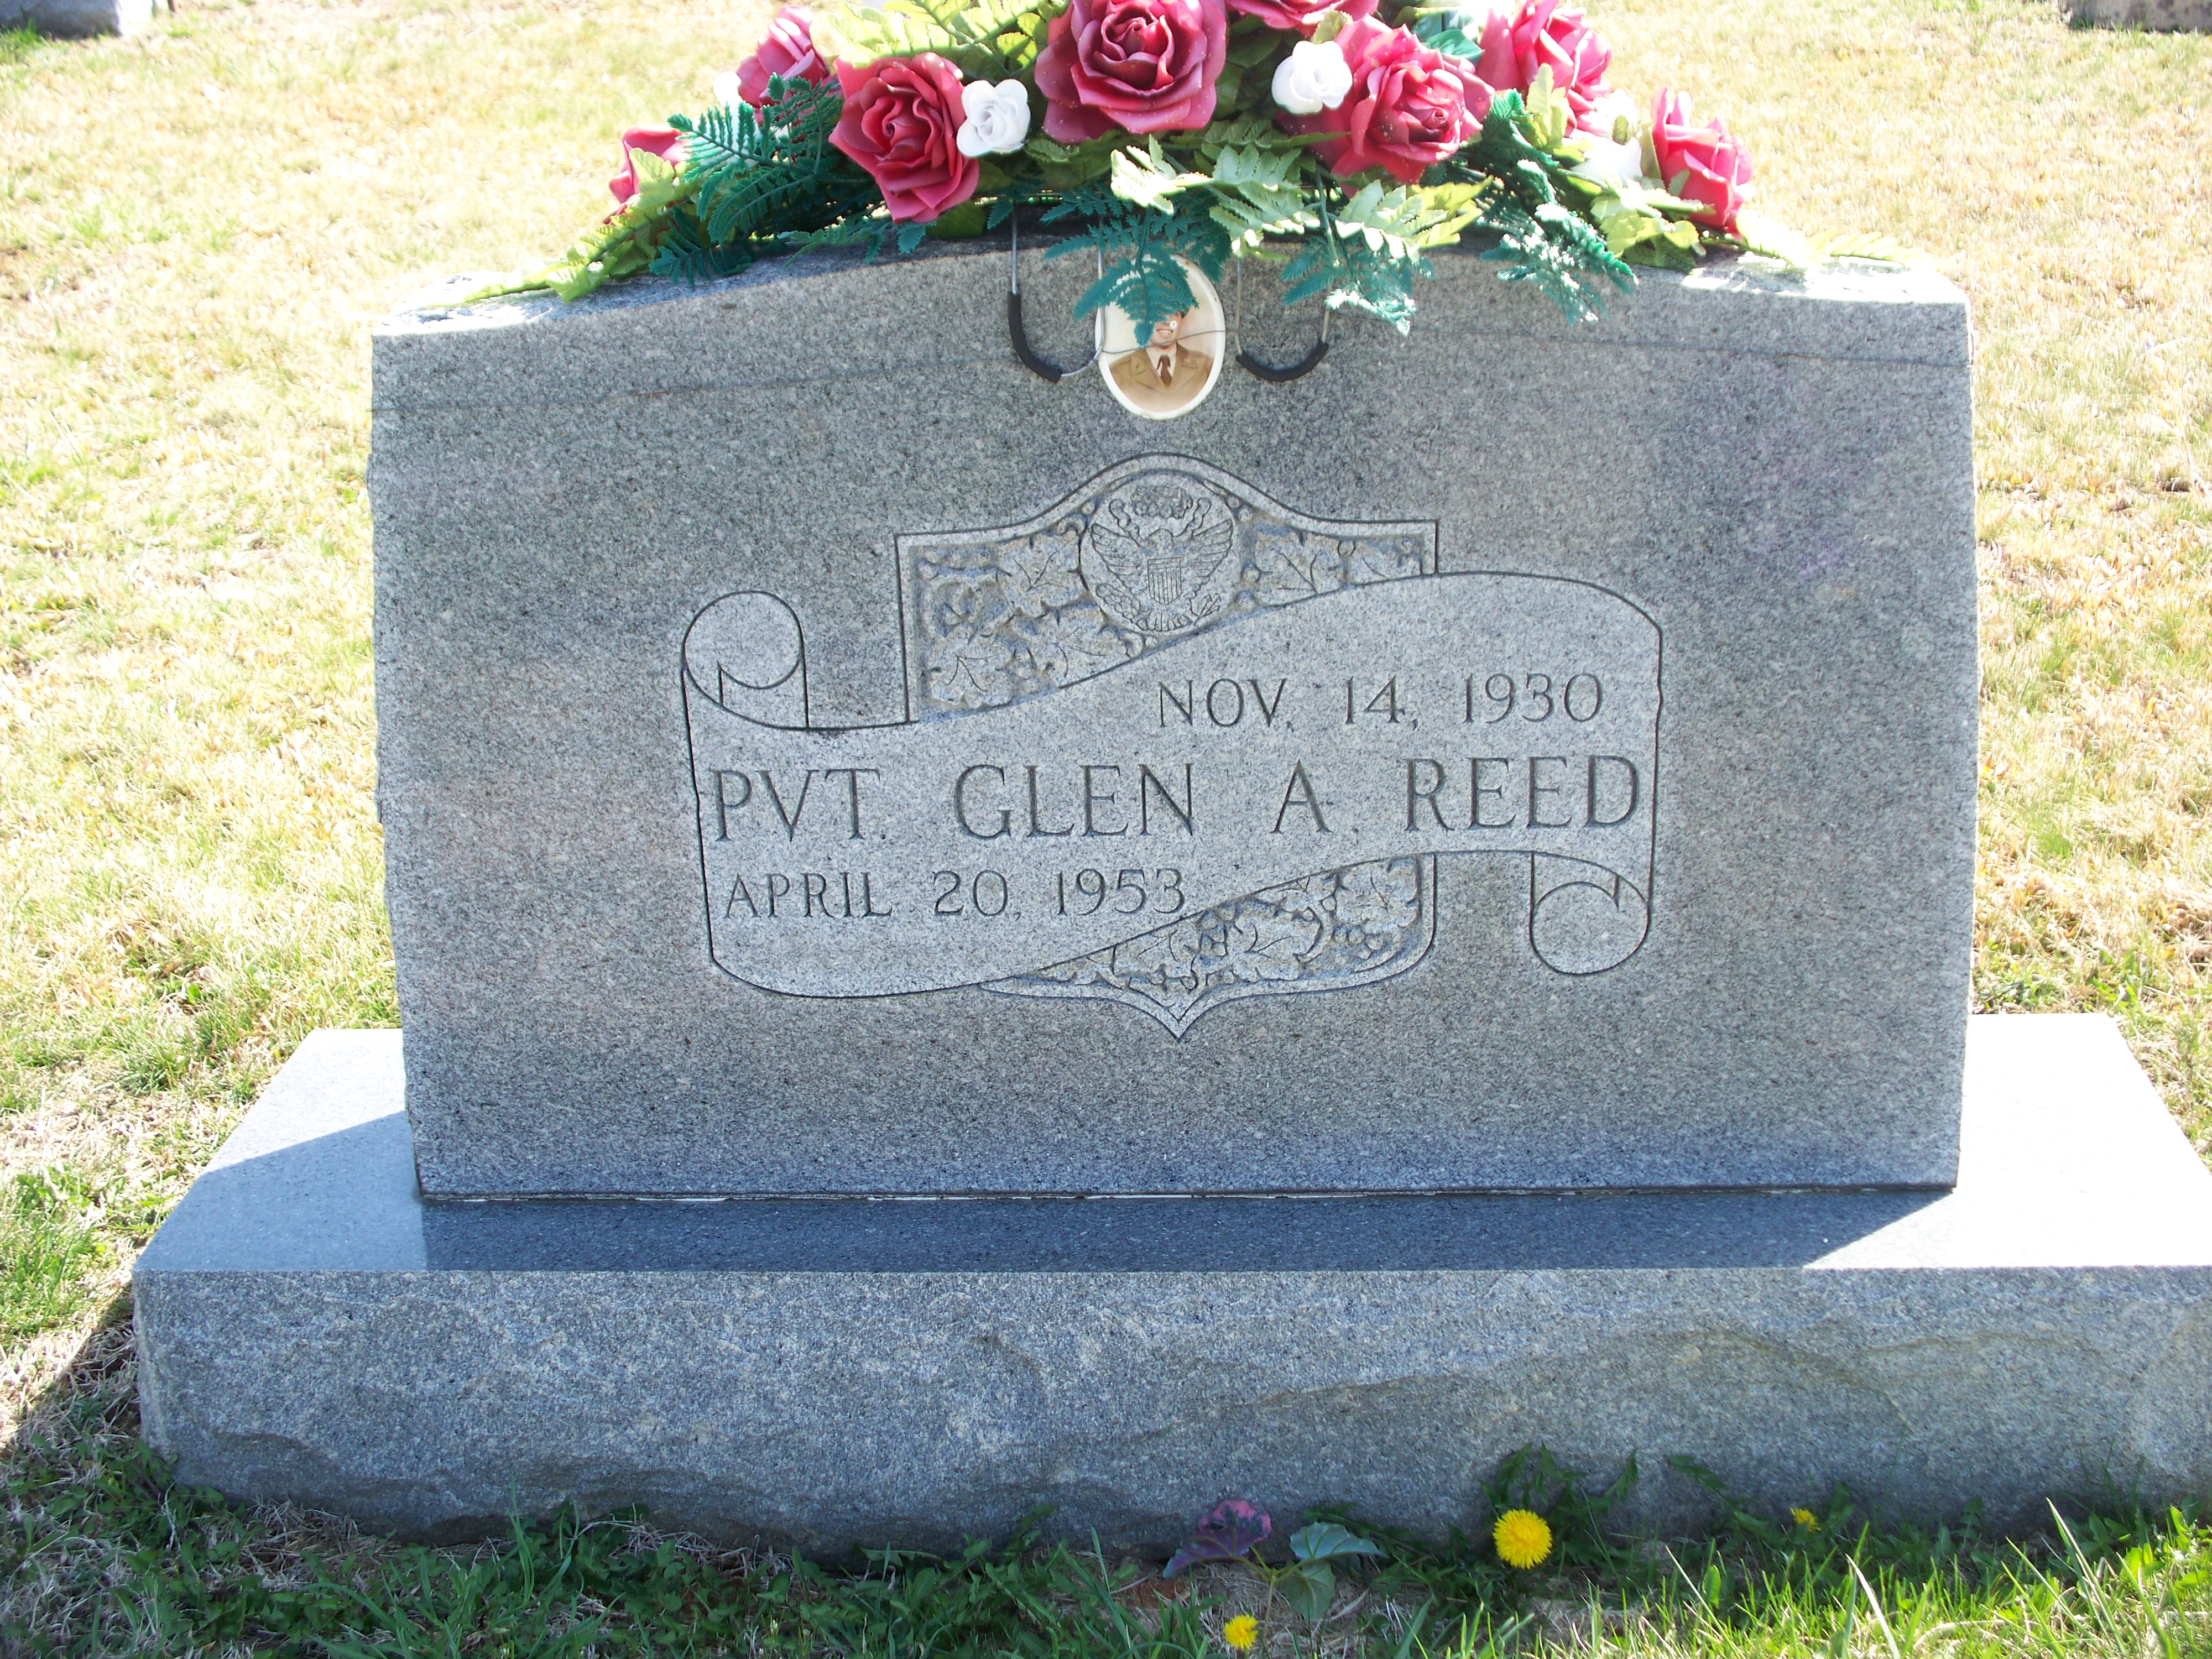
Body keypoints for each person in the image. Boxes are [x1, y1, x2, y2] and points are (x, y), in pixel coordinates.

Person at [1108, 307, 1217, 415]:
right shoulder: (1118, 375)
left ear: (1181, 320)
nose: (1167, 320)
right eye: (1159, 311)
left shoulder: (1206, 367)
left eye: (1174, 313)